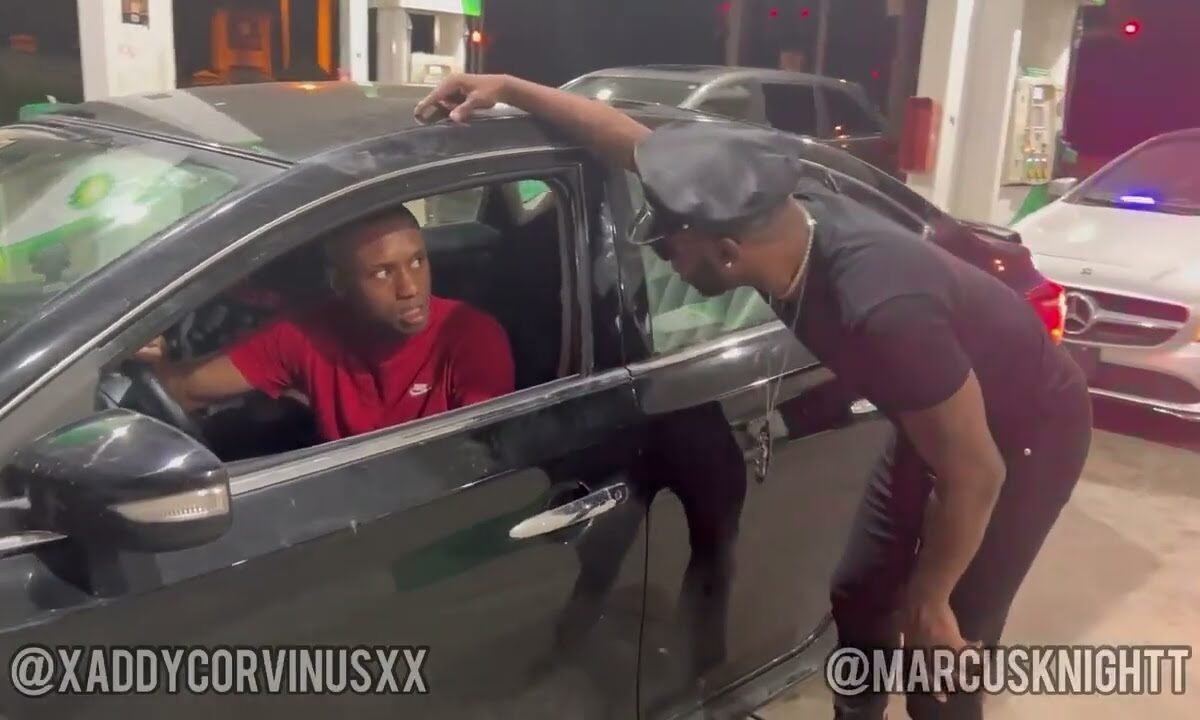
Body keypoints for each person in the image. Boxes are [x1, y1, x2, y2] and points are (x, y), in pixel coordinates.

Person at [415, 74, 1093, 719]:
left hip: (1025, 435)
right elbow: (625, 140)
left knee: (939, 647)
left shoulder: (882, 308)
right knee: (858, 593)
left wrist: (932, 594)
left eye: (669, 252)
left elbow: (975, 473)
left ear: (728, 254)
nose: (664, 263)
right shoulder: (763, 214)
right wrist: (508, 88)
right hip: (937, 418)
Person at [138, 205, 515, 443]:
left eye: (417, 261)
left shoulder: (470, 335)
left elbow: (487, 455)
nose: (410, 288)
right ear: (339, 283)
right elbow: (183, 391)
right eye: (382, 273)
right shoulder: (307, 332)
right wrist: (153, 354)